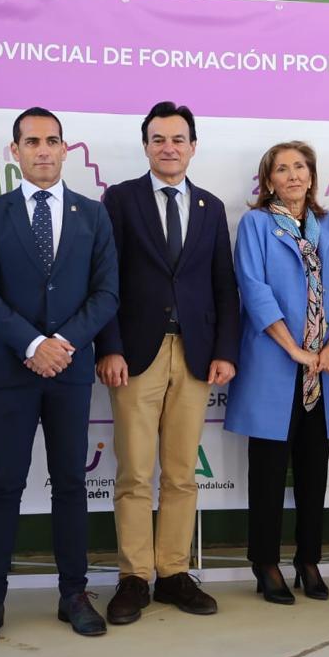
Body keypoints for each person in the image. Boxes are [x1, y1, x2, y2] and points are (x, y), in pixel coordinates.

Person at [0, 107, 118, 646]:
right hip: (13, 369)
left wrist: (63, 344)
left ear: (66, 149)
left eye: (53, 141)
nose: (44, 150)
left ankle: (73, 593)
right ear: (16, 151)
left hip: (70, 371)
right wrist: (31, 344)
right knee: (4, 484)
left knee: (71, 484)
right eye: (32, 142)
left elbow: (106, 294)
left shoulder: (93, 215)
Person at [95, 101, 240, 625]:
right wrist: (108, 346)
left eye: (178, 139)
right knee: (135, 472)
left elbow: (224, 283)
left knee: (181, 473)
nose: (169, 147)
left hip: (197, 356)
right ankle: (134, 577)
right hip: (136, 355)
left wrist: (226, 350)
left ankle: (174, 573)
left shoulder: (209, 206)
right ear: (146, 146)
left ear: (193, 146)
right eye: (159, 139)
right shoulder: (120, 200)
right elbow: (105, 279)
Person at [225, 142, 329, 604]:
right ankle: (265, 563)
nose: (293, 175)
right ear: (269, 180)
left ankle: (308, 560)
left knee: (313, 474)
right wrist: (295, 350)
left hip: (325, 368)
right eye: (282, 169)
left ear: (311, 175)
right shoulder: (256, 225)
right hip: (275, 367)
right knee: (266, 475)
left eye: (300, 167)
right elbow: (254, 290)